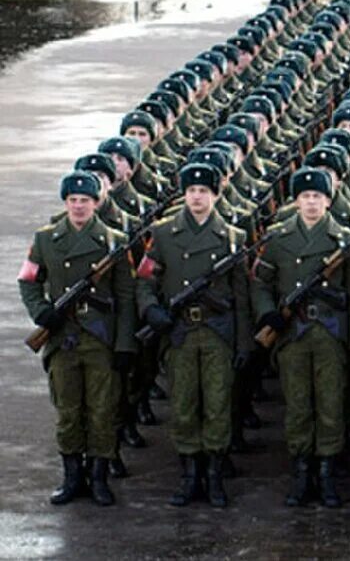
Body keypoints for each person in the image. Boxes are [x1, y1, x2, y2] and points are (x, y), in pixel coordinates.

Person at [135, 162, 252, 508]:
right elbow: (145, 280)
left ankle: (214, 475)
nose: (197, 197)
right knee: (184, 405)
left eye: (203, 191)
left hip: (217, 333)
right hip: (180, 331)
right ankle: (190, 475)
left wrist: (244, 343)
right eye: (191, 191)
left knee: (217, 405)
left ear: (216, 195)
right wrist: (151, 310)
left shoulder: (234, 237)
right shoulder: (163, 234)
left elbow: (242, 298)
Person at [18, 171, 136, 507]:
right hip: (62, 338)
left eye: (85, 200)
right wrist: (42, 312)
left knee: (102, 411)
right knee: (68, 410)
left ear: (97, 203)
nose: (79, 206)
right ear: (65, 203)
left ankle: (98, 477)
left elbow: (126, 298)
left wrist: (125, 344)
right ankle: (72, 477)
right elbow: (28, 280)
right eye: (73, 200)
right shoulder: (45, 239)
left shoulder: (114, 242)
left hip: (100, 339)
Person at [250, 168, 350, 508]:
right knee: (298, 405)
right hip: (292, 336)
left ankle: (327, 471)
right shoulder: (278, 238)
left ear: (328, 201)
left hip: (330, 335)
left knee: (330, 406)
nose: (312, 202)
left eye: (318, 196)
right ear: (296, 200)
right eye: (305, 196)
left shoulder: (345, 241)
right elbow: (261, 283)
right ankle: (302, 471)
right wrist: (268, 312)